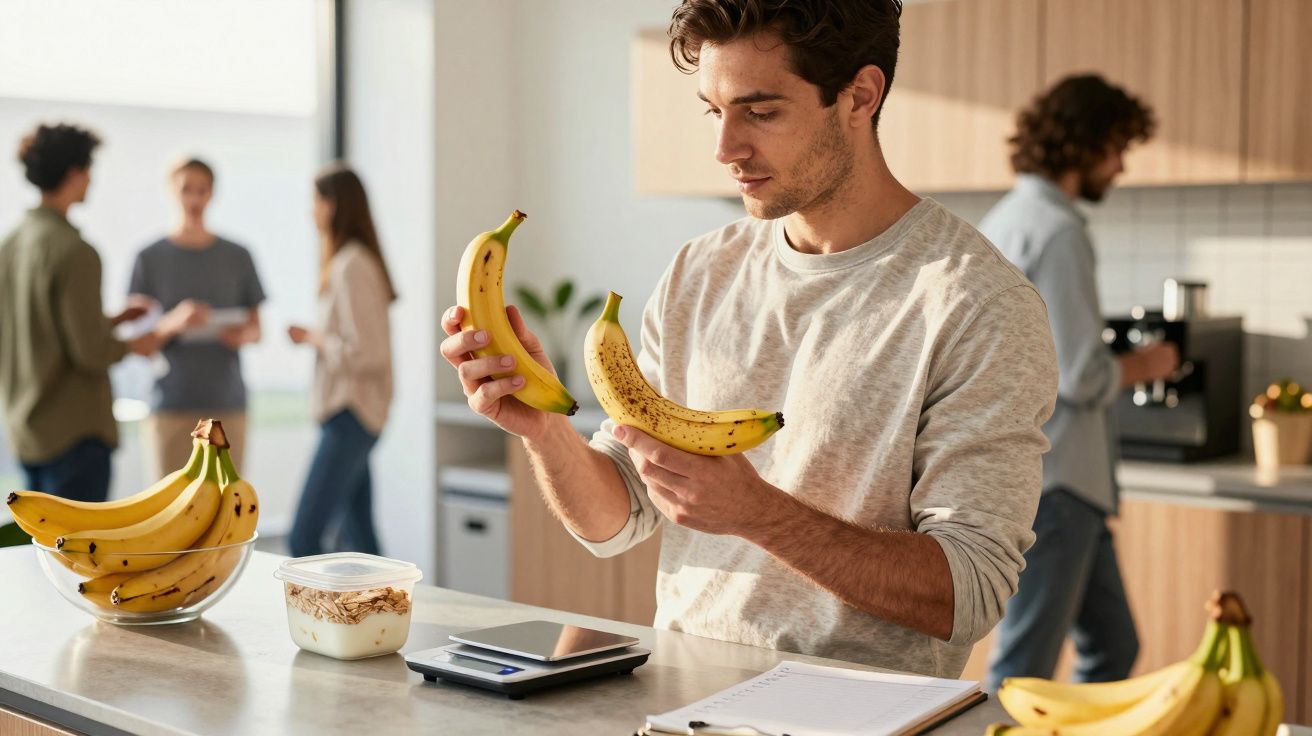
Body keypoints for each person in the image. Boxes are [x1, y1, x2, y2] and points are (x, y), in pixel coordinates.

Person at [440, 0, 1059, 677]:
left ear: (860, 95)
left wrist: (760, 515)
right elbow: (618, 516)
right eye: (714, 109)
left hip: (850, 719)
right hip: (677, 700)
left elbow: (969, 591)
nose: (724, 147)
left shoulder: (977, 304)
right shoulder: (700, 271)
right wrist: (542, 430)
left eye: (760, 112)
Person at [980, 75, 1179, 691]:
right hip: (1059, 484)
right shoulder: (1059, 232)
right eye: (1116, 147)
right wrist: (1149, 364)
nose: (1120, 167)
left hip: (1058, 484)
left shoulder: (1008, 217)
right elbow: (1077, 374)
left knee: (1114, 647)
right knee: (1022, 669)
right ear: (1082, 144)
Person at [0, 123, 205, 502]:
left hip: (26, 430)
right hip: (74, 435)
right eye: (89, 170)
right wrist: (147, 339)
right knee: (79, 557)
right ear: (75, 174)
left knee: (40, 552)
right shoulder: (75, 251)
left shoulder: (11, 245)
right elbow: (91, 352)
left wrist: (112, 320)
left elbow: (33, 326)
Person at [128, 158, 266, 479]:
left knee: (225, 511)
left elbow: (257, 329)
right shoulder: (148, 258)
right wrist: (174, 323)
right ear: (171, 192)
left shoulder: (238, 256)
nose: (193, 199)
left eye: (201, 190)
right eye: (185, 189)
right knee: (170, 512)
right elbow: (139, 345)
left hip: (227, 404)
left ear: (212, 194)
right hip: (171, 405)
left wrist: (240, 335)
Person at [287, 165, 395, 557]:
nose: (310, 211)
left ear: (333, 206)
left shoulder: (351, 265)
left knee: (303, 536)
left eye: (315, 201)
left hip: (350, 413)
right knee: (361, 540)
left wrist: (315, 338)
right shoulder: (353, 262)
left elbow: (367, 353)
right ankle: (382, 613)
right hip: (354, 414)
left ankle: (315, 619)